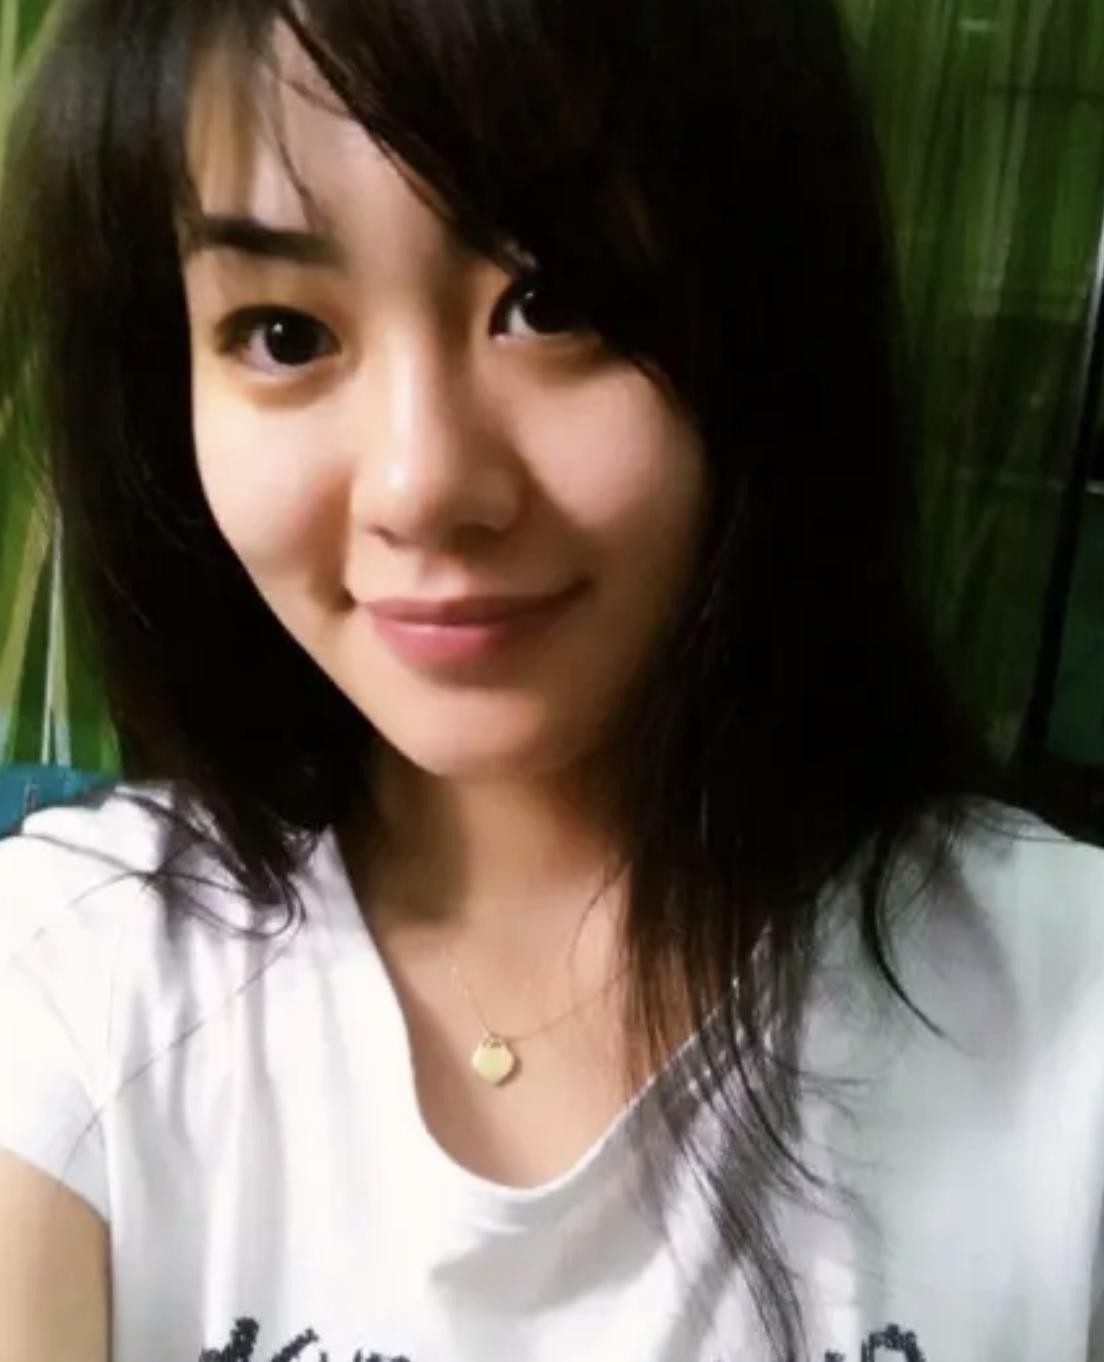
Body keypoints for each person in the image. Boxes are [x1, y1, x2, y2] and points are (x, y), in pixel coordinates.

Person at [0, 0, 1102, 1359]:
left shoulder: (1073, 1006)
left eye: (552, 303)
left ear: (774, 320)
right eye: (283, 334)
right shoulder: (72, 968)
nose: (421, 487)